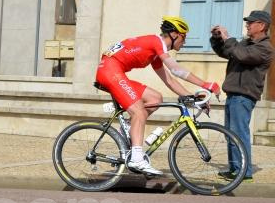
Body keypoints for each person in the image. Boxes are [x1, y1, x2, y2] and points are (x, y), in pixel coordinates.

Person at [95, 16, 220, 176]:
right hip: (110, 71)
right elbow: (175, 69)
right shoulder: (156, 42)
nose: (185, 42)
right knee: (139, 112)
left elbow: (170, 80)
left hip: (113, 71)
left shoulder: (155, 53)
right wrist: (205, 84)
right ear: (174, 34)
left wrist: (193, 99)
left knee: (156, 98)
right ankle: (137, 159)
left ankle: (129, 125)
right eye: (184, 37)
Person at [210, 10, 274, 182]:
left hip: (244, 96)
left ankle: (244, 172)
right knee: (231, 134)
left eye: (251, 22)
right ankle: (235, 169)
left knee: (239, 133)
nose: (247, 25)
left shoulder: (265, 48)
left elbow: (240, 55)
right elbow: (227, 52)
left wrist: (228, 37)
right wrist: (217, 39)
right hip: (234, 95)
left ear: (261, 26)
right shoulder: (246, 44)